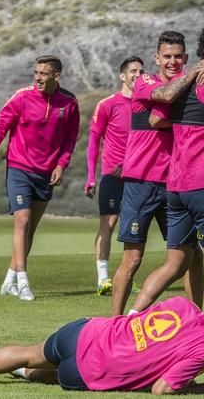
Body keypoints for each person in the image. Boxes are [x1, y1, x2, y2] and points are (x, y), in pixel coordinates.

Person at [129, 17, 204, 328]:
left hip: (176, 187)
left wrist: (189, 124)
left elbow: (156, 120)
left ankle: (127, 321)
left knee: (174, 264)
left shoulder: (183, 84)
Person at [0, 296, 204, 394]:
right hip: (89, 371)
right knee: (52, 374)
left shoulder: (185, 305)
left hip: (85, 330)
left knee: (32, 352)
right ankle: (22, 372)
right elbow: (162, 389)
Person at [112, 31, 204, 316]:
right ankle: (113, 323)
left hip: (175, 183)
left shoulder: (191, 84)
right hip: (141, 180)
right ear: (156, 58)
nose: (172, 61)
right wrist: (199, 70)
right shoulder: (145, 81)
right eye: (167, 56)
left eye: (178, 57)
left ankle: (196, 319)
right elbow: (165, 99)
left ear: (185, 57)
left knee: (191, 256)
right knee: (133, 258)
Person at [0, 55, 80, 301]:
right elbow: (0, 127)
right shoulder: (22, 97)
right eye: (36, 72)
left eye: (43, 74)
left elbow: (70, 138)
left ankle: (9, 279)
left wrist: (61, 165)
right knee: (22, 221)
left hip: (46, 173)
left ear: (56, 76)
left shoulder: (69, 103)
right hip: (19, 168)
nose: (37, 78)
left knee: (30, 230)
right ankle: (23, 282)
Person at [85, 56, 144, 296]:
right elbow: (93, 141)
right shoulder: (108, 105)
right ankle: (103, 278)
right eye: (133, 71)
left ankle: (125, 277)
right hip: (113, 176)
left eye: (141, 70)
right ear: (122, 76)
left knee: (134, 227)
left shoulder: (145, 104)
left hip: (139, 175)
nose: (137, 74)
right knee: (108, 224)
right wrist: (91, 176)